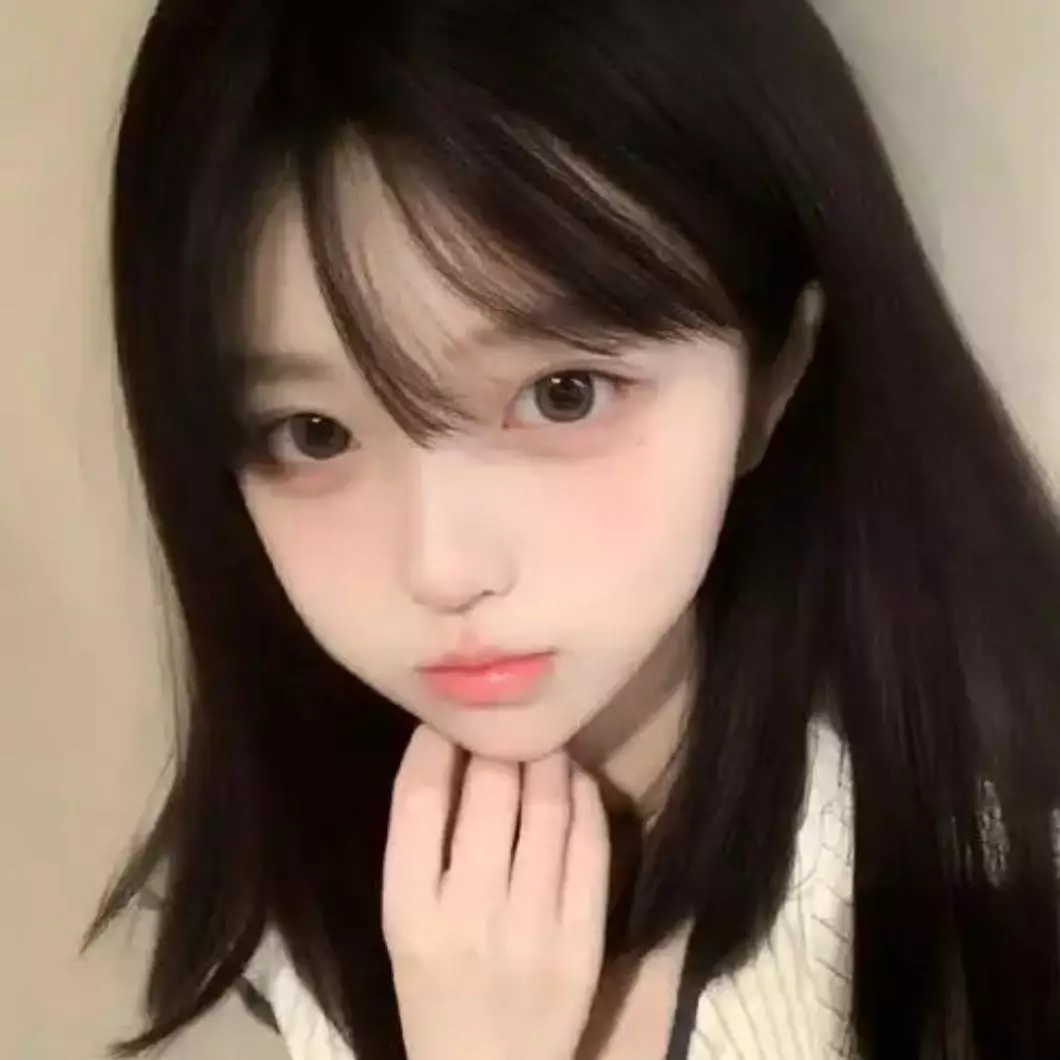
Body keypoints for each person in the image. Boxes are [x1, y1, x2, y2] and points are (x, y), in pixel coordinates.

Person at [86, 0, 1060, 1057]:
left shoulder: (980, 894)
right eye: (312, 432)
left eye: (564, 394)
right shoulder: (289, 879)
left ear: (771, 376)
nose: (442, 567)